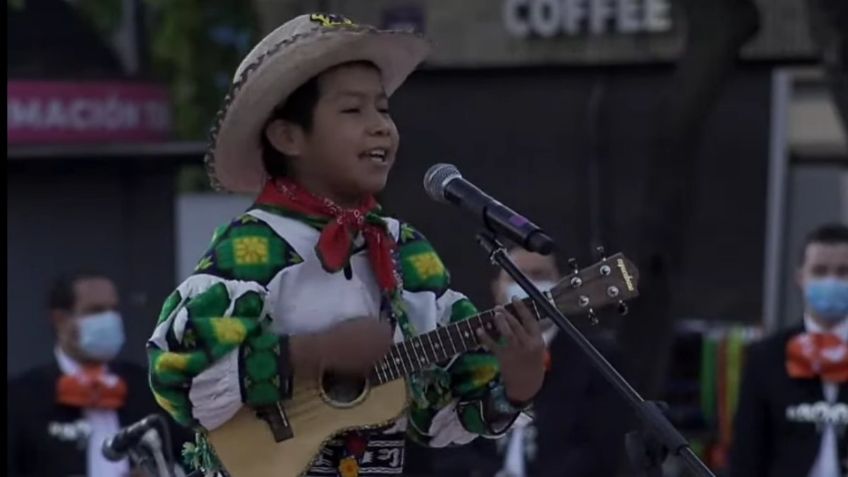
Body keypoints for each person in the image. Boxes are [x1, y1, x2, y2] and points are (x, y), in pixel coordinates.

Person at [146, 13, 547, 477]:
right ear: (288, 136)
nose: (380, 126)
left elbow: (436, 416)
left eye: (384, 109)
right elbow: (177, 376)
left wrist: (516, 386)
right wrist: (313, 353)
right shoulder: (255, 246)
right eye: (354, 110)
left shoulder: (405, 252)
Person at [8, 271, 189, 477]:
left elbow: (193, 458)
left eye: (113, 309)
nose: (109, 319)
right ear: (60, 320)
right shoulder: (21, 398)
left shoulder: (148, 386)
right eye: (95, 311)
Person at [729, 223, 848, 477]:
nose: (832, 280)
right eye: (820, 271)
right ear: (800, 277)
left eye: (843, 272)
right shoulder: (766, 357)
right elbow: (746, 455)